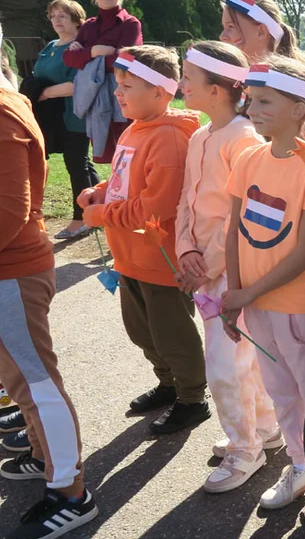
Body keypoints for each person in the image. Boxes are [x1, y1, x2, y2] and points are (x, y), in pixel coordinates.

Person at [222, 55, 305, 522]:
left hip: (296, 306)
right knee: (279, 391)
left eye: (266, 100)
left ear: (301, 109)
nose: (253, 108)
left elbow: (304, 251)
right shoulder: (249, 156)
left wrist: (246, 295)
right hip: (255, 305)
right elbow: (234, 231)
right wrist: (235, 297)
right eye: (251, 99)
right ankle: (299, 465)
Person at [79, 45, 209, 435]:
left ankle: (192, 398)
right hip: (130, 255)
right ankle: (168, 383)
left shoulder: (169, 138)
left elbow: (157, 204)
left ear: (161, 92)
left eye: (127, 85)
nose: (117, 92)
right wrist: (102, 191)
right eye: (118, 84)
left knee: (172, 333)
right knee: (142, 331)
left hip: (159, 259)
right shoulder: (137, 127)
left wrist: (101, 214)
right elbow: (127, 181)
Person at [0, 39, 97, 539]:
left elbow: (8, 211)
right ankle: (44, 455)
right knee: (21, 381)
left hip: (11, 270)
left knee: (37, 383)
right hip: (8, 270)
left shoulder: (1, 111)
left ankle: (70, 493)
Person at [175, 41, 282, 494]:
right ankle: (263, 429)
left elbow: (242, 214)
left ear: (217, 89)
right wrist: (184, 251)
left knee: (225, 363)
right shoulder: (200, 135)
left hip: (229, 272)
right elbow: (186, 201)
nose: (180, 85)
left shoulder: (242, 138)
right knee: (239, 360)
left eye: (187, 77)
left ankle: (244, 449)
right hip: (203, 269)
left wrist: (209, 263)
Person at [32, 0, 100, 240]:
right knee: (82, 163)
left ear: (75, 18)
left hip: (75, 113)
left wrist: (44, 93)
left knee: (76, 163)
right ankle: (98, 209)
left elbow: (78, 84)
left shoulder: (80, 46)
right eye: (53, 16)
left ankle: (80, 219)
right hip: (54, 116)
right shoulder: (51, 45)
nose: (57, 21)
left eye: (62, 15)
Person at [63, 0, 142, 163]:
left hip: (123, 98)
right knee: (112, 159)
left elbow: (125, 60)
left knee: (130, 155)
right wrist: (94, 52)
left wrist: (84, 57)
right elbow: (68, 58)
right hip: (95, 99)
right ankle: (116, 193)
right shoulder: (89, 26)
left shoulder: (130, 24)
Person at [219, 0, 305, 64]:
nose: (222, 36)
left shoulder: (278, 83)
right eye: (224, 27)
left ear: (261, 31)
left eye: (231, 26)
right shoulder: (238, 79)